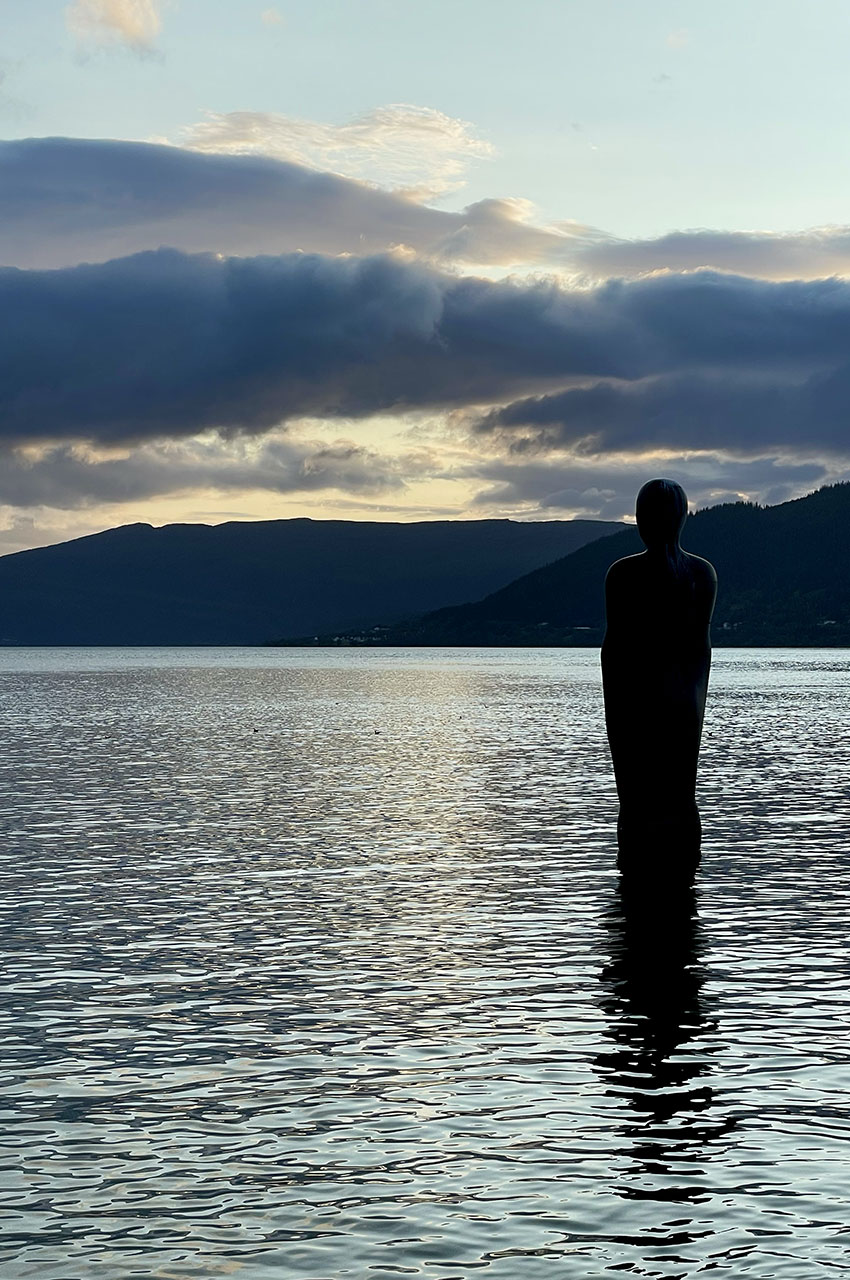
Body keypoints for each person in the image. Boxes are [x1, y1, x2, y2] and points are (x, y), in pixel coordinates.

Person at [601, 480, 717, 869]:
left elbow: (613, 654)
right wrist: (694, 703)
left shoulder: (622, 574)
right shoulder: (701, 573)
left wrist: (614, 714)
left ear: (641, 519)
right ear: (682, 517)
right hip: (683, 701)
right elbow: (701, 651)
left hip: (635, 702)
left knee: (635, 801)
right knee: (682, 795)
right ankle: (684, 888)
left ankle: (636, 892)